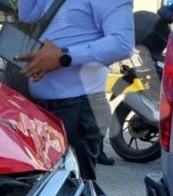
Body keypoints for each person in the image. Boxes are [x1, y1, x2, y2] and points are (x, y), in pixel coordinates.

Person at [17, 0, 134, 180]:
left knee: (76, 191)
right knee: (40, 191)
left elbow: (122, 44)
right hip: (39, 108)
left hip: (77, 109)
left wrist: (64, 56)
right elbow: (27, 16)